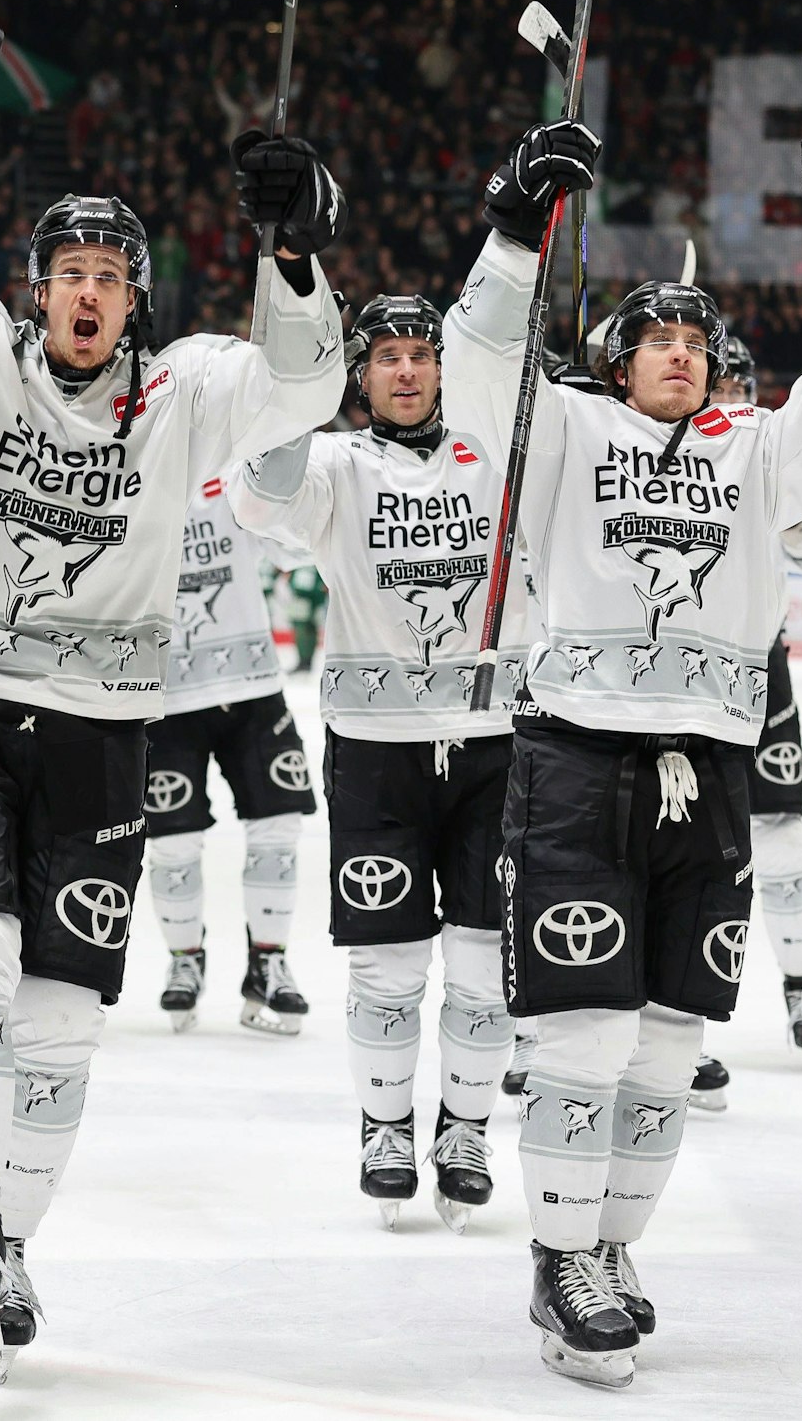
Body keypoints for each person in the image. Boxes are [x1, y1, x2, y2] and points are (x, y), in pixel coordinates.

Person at [0, 1, 346, 1377]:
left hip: (111, 732)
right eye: (70, 267)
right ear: (36, 285)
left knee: (58, 1019)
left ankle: (6, 1249)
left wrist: (293, 249)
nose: (90, 286)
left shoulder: (189, 388)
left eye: (114, 266)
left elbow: (308, 384)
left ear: (140, 296)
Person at [456, 123, 802, 1386]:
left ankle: (606, 1244)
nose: (680, 353)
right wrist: (509, 229)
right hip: (576, 761)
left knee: (665, 1043)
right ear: (613, 356)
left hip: (705, 770)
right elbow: (480, 357)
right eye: (656, 336)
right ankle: (558, 1258)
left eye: (696, 340)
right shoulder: (563, 432)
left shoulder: (755, 453)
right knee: (584, 1034)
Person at [234, 257, 587, 1229]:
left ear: (441, 366)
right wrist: (287, 387)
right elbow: (255, 504)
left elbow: (579, 465)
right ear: (362, 375)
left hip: (491, 749)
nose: (404, 371)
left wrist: (556, 388)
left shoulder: (498, 454)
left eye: (419, 354)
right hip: (376, 752)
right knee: (387, 965)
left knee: (479, 965)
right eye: (385, 356)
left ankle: (463, 1127)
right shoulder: (338, 466)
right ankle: (385, 1126)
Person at [141, 477, 316, 1035]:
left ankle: (268, 960)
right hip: (164, 693)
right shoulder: (129, 472)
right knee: (170, 838)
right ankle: (184, 958)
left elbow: (295, 546)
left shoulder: (238, 473)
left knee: (280, 824)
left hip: (252, 686)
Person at [714, 337, 802, 1062]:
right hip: (677, 672)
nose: (730, 398)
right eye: (718, 383)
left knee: (782, 830)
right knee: (678, 841)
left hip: (760, 669)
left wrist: (791, 512)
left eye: (739, 385)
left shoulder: (771, 451)